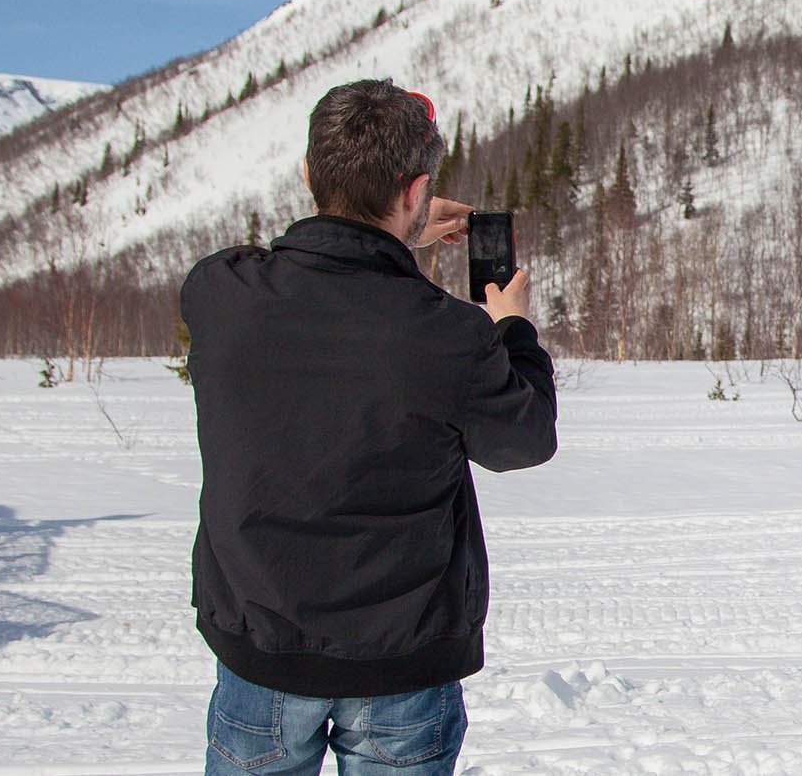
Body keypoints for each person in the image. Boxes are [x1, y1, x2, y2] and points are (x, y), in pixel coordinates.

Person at [182, 79, 559, 775]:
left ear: (307, 174)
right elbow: (524, 437)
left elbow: (318, 279)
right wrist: (513, 327)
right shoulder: (447, 335)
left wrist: (395, 234)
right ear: (415, 191)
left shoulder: (220, 294)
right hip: (401, 661)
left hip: (260, 643)